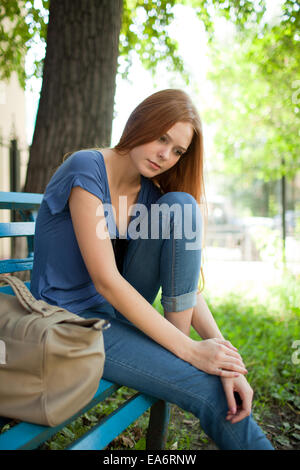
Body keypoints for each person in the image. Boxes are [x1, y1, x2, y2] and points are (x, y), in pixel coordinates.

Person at [31, 89, 274, 450]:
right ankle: (178, 353)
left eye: (177, 150)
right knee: (211, 389)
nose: (166, 155)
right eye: (162, 138)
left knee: (181, 205)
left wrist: (225, 356)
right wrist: (190, 351)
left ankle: (177, 350)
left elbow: (185, 282)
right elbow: (107, 281)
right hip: (70, 321)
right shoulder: (87, 168)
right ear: (140, 121)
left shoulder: (150, 193)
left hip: (113, 313)